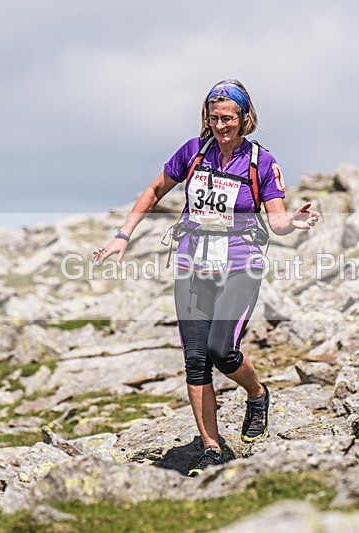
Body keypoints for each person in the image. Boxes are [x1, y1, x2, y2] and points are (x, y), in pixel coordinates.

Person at [93, 79, 319, 476]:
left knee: (221, 351)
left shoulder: (261, 162)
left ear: (245, 118)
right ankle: (212, 449)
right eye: (214, 118)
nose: (220, 126)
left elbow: (277, 219)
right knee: (195, 360)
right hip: (192, 263)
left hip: (239, 263)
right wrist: (122, 235)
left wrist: (294, 223)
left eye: (228, 118)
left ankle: (257, 393)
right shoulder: (193, 152)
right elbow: (154, 190)